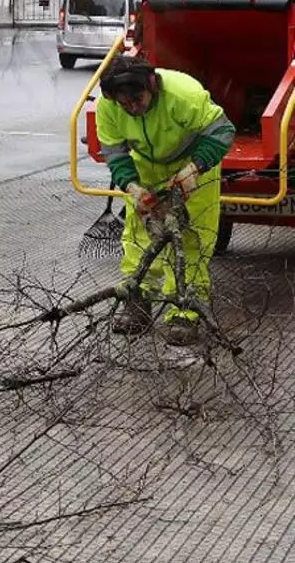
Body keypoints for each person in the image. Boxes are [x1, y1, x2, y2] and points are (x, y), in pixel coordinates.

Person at [95, 54, 236, 346]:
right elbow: (115, 153)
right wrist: (132, 187)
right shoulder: (107, 108)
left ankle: (185, 310)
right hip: (147, 166)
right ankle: (137, 298)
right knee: (138, 236)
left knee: (191, 237)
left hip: (193, 163)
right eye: (125, 103)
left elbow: (222, 131)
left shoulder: (183, 95)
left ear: (152, 85)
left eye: (138, 98)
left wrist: (193, 170)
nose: (133, 107)